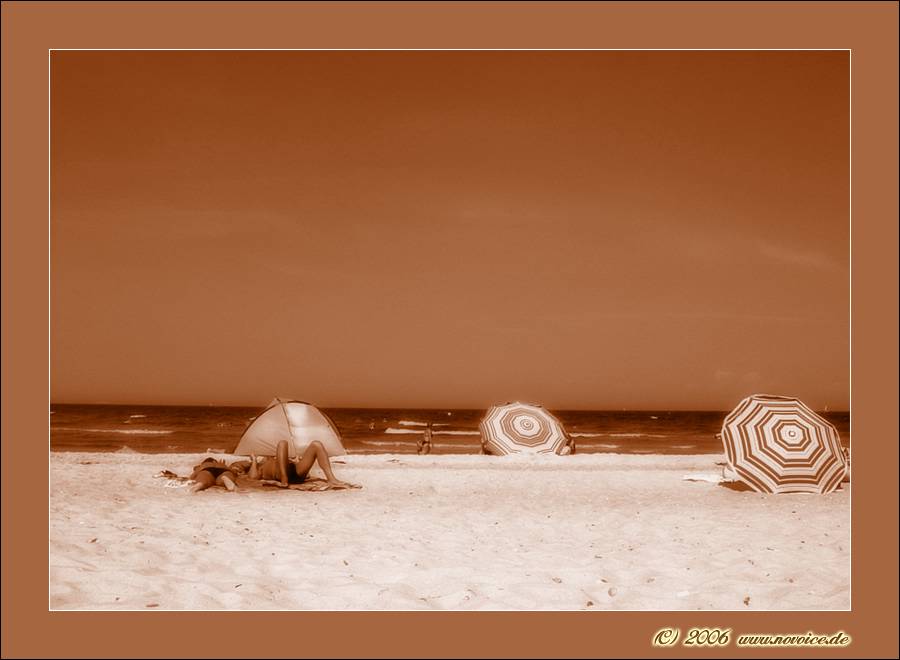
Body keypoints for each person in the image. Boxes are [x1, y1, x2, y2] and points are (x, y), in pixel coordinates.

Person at [244, 439, 358, 489]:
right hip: (281, 475)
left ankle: (331, 478)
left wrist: (295, 461)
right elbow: (253, 477)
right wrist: (254, 460)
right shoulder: (260, 467)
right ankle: (284, 479)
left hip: (295, 471)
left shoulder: (274, 459)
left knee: (316, 444)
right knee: (282, 442)